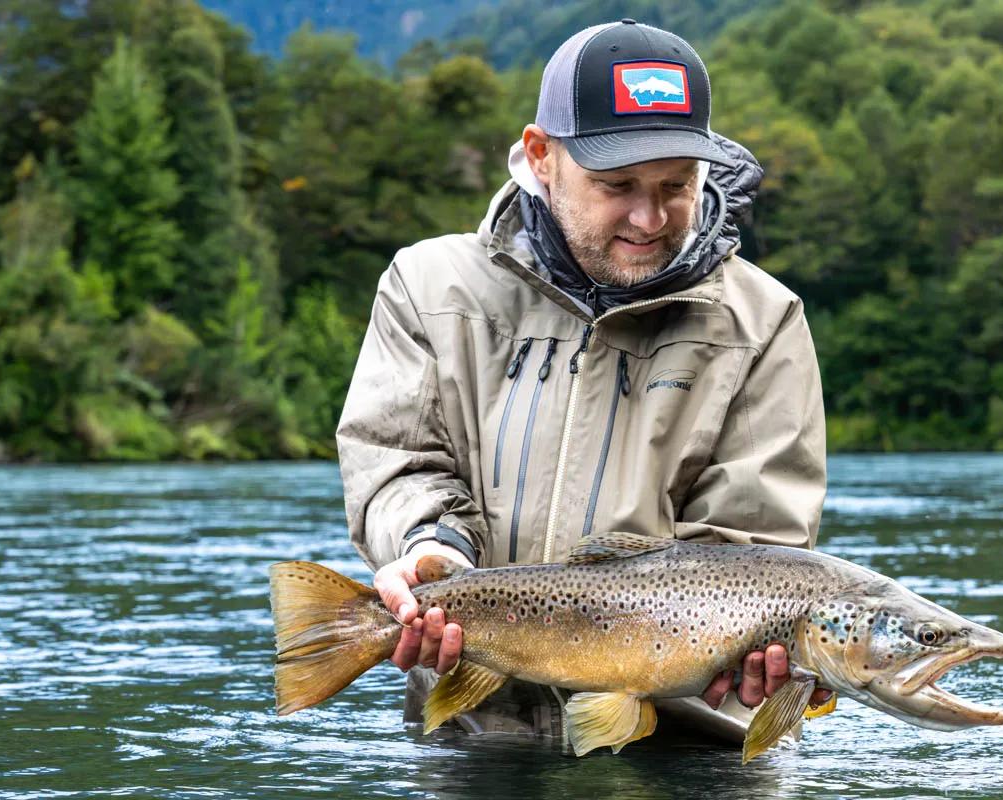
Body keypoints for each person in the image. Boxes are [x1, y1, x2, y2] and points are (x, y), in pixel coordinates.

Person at [336, 19, 828, 745]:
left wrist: (757, 648)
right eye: (617, 184)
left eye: (676, 185)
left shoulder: (763, 321)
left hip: (687, 749)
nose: (649, 216)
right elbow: (398, 461)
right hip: (474, 734)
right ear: (541, 156)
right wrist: (425, 548)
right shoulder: (430, 285)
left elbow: (753, 546)